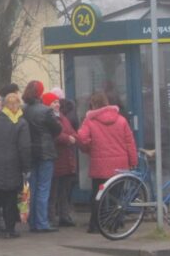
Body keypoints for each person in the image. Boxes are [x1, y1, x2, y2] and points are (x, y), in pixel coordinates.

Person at [77, 91, 139, 233]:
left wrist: (88, 148)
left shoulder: (90, 121)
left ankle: (95, 225)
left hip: (100, 166)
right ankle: (114, 224)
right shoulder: (121, 120)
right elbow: (130, 143)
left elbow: (81, 137)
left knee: (97, 196)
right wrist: (133, 161)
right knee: (116, 196)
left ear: (93, 104)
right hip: (120, 166)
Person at [0, 92, 32, 238]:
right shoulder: (21, 123)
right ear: (17, 106)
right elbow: (24, 148)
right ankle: (10, 230)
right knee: (9, 199)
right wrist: (26, 167)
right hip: (12, 166)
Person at [23, 80, 61, 232]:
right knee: (43, 188)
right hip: (45, 152)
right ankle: (42, 222)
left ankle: (32, 222)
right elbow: (57, 129)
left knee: (31, 188)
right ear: (40, 93)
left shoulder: (23, 110)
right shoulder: (45, 111)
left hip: (30, 153)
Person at [51, 98, 79, 228]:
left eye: (57, 102)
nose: (57, 105)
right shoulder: (50, 117)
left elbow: (71, 130)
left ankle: (64, 216)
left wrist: (74, 137)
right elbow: (55, 134)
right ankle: (51, 217)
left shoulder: (62, 117)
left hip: (66, 158)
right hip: (57, 158)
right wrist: (69, 138)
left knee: (64, 190)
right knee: (53, 191)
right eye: (53, 102)